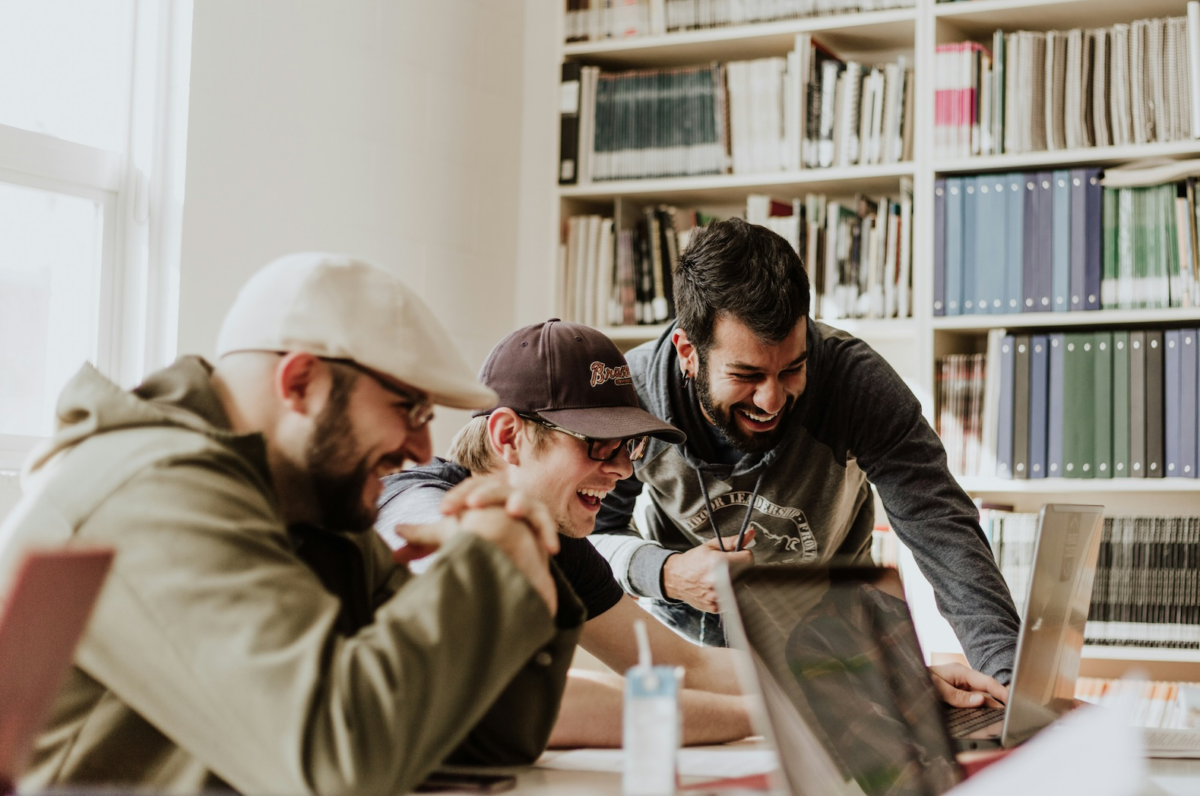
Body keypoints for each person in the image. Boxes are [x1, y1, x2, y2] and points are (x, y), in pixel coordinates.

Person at [0, 254, 584, 796]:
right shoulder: (152, 493)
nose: (422, 446)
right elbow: (335, 764)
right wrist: (487, 567)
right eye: (407, 408)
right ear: (300, 382)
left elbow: (478, 741)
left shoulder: (311, 507)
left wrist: (524, 568)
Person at [377, 320, 1006, 749]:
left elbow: (681, 664)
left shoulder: (556, 539)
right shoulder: (420, 510)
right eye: (598, 446)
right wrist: (807, 713)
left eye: (629, 448)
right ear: (509, 436)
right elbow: (528, 700)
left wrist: (879, 681)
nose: (623, 470)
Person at [590, 217, 1022, 687]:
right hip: (689, 656)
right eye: (747, 375)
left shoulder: (857, 384)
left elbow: (944, 532)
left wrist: (1008, 682)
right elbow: (590, 536)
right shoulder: (632, 399)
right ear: (687, 352)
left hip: (834, 647)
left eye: (792, 369)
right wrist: (666, 573)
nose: (771, 400)